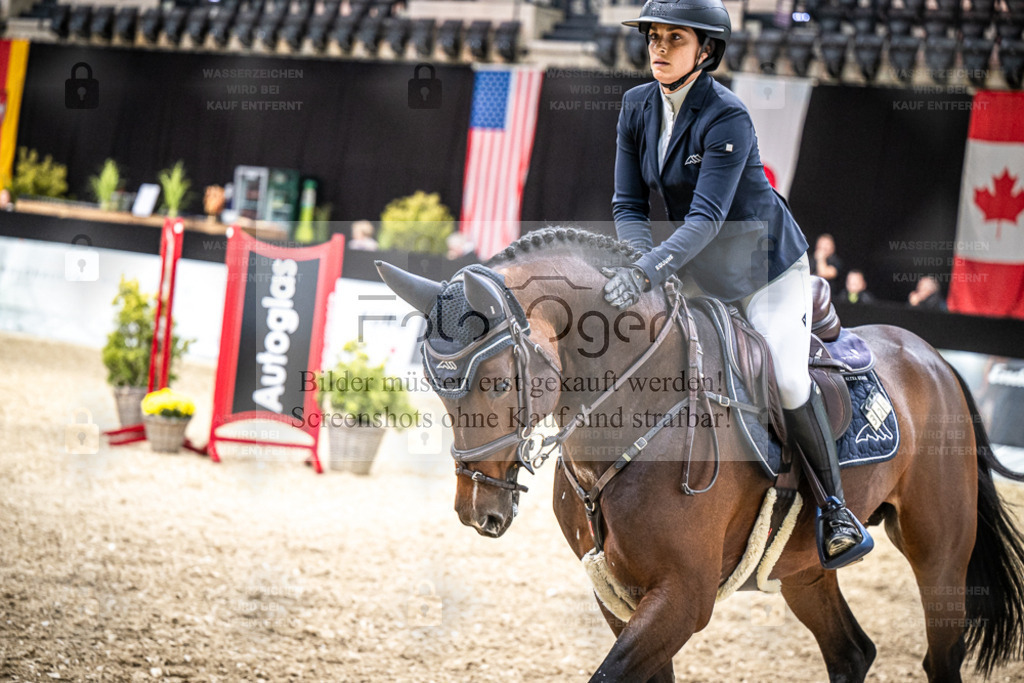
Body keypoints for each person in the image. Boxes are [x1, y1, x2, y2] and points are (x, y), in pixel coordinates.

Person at [602, 0, 871, 568]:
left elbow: (706, 218)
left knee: (787, 377)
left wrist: (647, 271)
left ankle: (835, 511)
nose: (658, 47)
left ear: (705, 51)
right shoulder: (635, 106)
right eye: (653, 36)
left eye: (674, 38)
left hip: (765, 269)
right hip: (698, 268)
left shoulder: (727, 116)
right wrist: (637, 261)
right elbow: (628, 204)